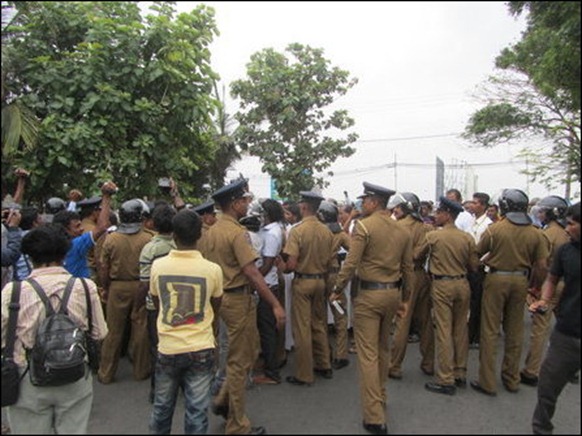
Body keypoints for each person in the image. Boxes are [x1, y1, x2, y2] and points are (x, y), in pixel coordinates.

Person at [1, 224, 107, 434]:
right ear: (64, 253)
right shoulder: (85, 287)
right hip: (75, 374)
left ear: (30, 257)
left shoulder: (13, 291)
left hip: (27, 379)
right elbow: (100, 333)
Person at [199, 178, 285, 435]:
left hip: (221, 299)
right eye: (244, 200)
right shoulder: (236, 233)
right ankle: (237, 425)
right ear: (235, 204)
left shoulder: (211, 231)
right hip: (237, 299)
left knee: (245, 353)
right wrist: (275, 304)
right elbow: (252, 272)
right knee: (239, 363)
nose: (248, 204)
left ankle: (223, 399)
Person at [330, 182, 413, 435]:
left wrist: (336, 287)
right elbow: (408, 268)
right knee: (383, 348)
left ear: (374, 201)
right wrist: (405, 298)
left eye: (365, 199)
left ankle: (374, 416)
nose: (362, 203)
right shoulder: (402, 231)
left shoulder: (364, 226)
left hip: (369, 295)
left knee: (367, 354)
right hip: (392, 294)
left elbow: (351, 263)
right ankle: (381, 396)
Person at [148, 209, 223, 434]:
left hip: (168, 346)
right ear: (200, 235)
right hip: (201, 346)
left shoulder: (158, 266)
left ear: (173, 235)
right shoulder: (213, 270)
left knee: (161, 408)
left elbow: (157, 301)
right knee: (197, 411)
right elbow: (216, 305)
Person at [471, 188, 549, 396]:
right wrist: (535, 285)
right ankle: (511, 379)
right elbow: (541, 266)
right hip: (521, 280)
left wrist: (481, 266)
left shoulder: (494, 230)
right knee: (514, 332)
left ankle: (487, 382)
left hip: (496, 279)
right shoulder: (536, 233)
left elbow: (476, 254)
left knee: (489, 331)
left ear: (504, 206)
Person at [529, 202, 580, 435]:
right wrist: (544, 300)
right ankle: (541, 429)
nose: (567, 229)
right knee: (548, 387)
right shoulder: (566, 251)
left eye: (572, 224)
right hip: (567, 333)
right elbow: (552, 277)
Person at [423, 197, 480, 395]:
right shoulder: (467, 238)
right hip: (462, 283)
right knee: (460, 330)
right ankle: (460, 373)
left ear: (447, 214)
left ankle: (446, 378)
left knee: (444, 331)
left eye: (439, 212)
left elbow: (417, 255)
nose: (436, 216)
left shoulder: (434, 237)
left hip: (442, 285)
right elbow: (474, 266)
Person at [281, 191, 335, 387]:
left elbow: (292, 263)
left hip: (303, 282)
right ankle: (324, 364)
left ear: (303, 207)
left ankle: (304, 374)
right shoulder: (326, 231)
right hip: (321, 280)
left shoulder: (297, 231)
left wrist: (282, 266)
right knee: (319, 323)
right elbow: (331, 261)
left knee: (302, 328)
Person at [98, 198, 153, 384]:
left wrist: (105, 287)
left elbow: (103, 267)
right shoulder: (148, 238)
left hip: (117, 287)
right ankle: (140, 370)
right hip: (141, 286)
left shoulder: (111, 238)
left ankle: (106, 373)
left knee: (113, 331)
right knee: (140, 328)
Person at [521, 195, 570, 387]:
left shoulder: (547, 235)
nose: (539, 214)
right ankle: (570, 366)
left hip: (549, 284)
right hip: (567, 284)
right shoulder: (567, 232)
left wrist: (534, 287)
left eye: (542, 211)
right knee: (567, 326)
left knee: (540, 328)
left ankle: (531, 371)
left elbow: (540, 266)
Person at [387, 192, 434, 380]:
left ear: (405, 208)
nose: (395, 210)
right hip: (421, 275)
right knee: (425, 322)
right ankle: (429, 363)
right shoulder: (426, 229)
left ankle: (394, 366)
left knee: (402, 322)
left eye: (398, 207)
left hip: (404, 276)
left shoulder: (396, 228)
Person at [138, 202, 176, 403]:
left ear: (153, 224)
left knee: (157, 349)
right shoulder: (179, 245)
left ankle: (158, 391)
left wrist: (138, 306)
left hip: (155, 306)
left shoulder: (149, 249)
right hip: (178, 303)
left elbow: (144, 284)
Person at [52, 182, 117, 279]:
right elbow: (102, 227)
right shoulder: (76, 244)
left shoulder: (49, 247)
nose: (81, 229)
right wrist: (106, 196)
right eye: (77, 226)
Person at [254, 199, 286, 385]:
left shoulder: (272, 233)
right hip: (264, 284)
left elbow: (266, 264)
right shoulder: (267, 230)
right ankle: (269, 362)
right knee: (265, 328)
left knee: (267, 329)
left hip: (266, 285)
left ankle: (272, 372)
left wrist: (254, 281)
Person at [318, 200, 351, 370]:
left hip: (317, 278)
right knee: (339, 314)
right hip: (334, 278)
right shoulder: (340, 234)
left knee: (320, 317)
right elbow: (354, 250)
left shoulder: (317, 231)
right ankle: (341, 354)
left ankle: (324, 355)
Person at [467, 192, 493, 349]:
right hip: (471, 265)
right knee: (472, 301)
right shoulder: (473, 222)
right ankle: (470, 333)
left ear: (483, 206)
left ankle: (476, 336)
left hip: (480, 267)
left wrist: (480, 262)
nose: (472, 205)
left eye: (475, 203)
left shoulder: (488, 225)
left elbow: (490, 249)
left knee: (478, 302)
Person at [12, 206, 43, 281]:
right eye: (40, 218)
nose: (43, 220)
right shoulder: (37, 239)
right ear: (35, 223)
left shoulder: (14, 237)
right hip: (31, 280)